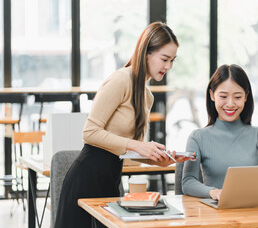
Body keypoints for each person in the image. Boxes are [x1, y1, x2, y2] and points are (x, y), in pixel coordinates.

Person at [55, 21, 189, 228]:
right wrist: (138, 145)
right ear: (146, 53)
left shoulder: (147, 96)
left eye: (173, 60)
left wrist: (158, 160)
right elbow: (90, 133)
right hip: (86, 178)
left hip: (111, 181)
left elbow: (126, 152)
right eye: (164, 59)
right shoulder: (120, 80)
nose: (168, 66)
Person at [182, 64, 258, 200]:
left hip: (251, 210)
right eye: (223, 96)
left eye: (237, 97)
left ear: (246, 97)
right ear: (212, 95)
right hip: (214, 211)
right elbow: (188, 182)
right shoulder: (198, 138)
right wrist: (213, 192)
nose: (231, 104)